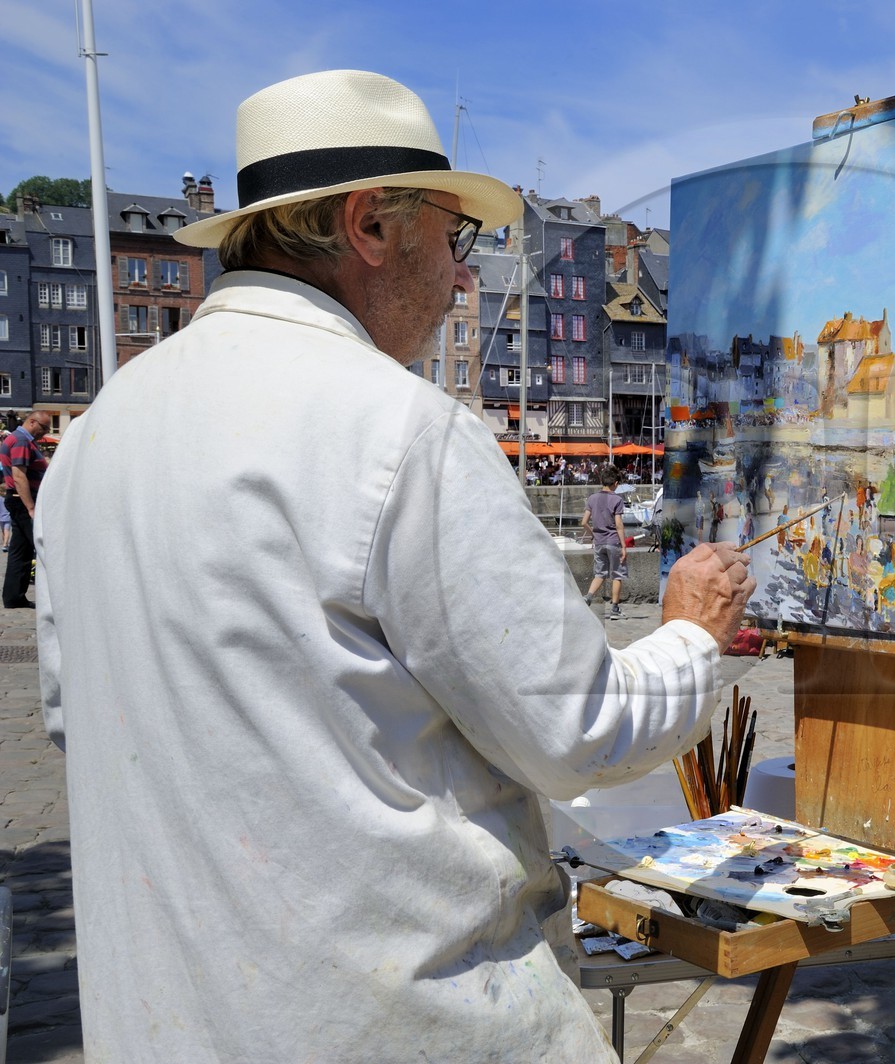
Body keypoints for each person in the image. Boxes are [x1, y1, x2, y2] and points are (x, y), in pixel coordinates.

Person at [35, 70, 756, 1062]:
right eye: (455, 240)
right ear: (371, 226)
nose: (462, 279)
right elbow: (577, 730)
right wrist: (690, 633)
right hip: (399, 1025)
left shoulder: (93, 437)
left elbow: (74, 717)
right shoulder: (397, 429)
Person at [2, 410, 50, 609]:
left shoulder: (19, 439)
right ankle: (56, 595)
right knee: (43, 546)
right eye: (43, 427)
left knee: (20, 551)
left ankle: (14, 597)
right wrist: (31, 507)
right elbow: (19, 475)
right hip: (23, 500)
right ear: (32, 422)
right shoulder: (22, 441)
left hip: (18, 499)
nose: (45, 432)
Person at [581, 463, 628, 619]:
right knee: (617, 575)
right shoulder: (617, 499)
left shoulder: (592, 498)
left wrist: (593, 534)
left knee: (599, 574)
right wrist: (624, 546)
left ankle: (588, 597)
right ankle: (614, 609)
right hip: (613, 541)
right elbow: (619, 524)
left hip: (599, 542)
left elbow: (584, 522)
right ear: (615, 483)